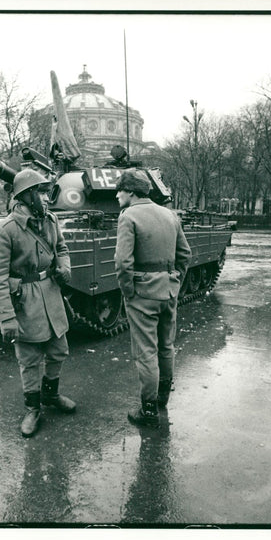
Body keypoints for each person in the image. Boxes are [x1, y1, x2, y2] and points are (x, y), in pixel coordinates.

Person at [0, 169, 75, 437]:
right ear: (26, 196)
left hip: (51, 293)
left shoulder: (50, 220)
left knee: (59, 350)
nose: (47, 198)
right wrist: (6, 318)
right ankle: (33, 408)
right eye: (42, 192)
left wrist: (64, 267)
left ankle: (51, 395)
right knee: (30, 360)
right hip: (24, 300)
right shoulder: (4, 231)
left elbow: (61, 249)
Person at [114, 169, 191, 428]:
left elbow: (123, 263)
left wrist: (128, 292)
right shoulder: (170, 215)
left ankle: (148, 411)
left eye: (120, 190)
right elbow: (185, 255)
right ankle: (162, 400)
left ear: (131, 192)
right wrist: (174, 280)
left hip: (142, 294)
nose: (117, 195)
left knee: (145, 352)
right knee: (165, 346)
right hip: (168, 291)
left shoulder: (128, 216)